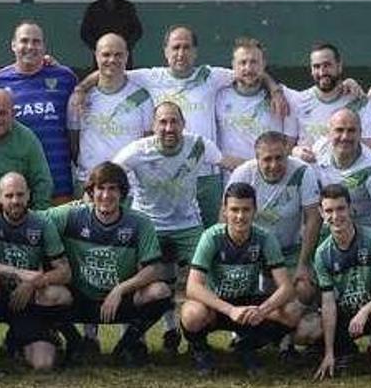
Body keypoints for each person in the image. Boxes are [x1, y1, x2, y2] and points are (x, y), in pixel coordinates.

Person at [78, 25, 288, 226]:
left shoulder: (210, 76)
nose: (181, 53)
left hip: (207, 176)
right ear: (166, 51)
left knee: (210, 235)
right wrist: (81, 88)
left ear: (195, 51)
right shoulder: (151, 77)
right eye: (176, 47)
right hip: (168, 176)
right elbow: (111, 70)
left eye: (186, 47)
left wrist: (274, 89)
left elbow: (248, 69)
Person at [111, 101, 229, 352]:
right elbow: (109, 173)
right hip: (147, 223)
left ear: (183, 124)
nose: (168, 127)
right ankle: (137, 338)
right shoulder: (137, 150)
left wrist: (265, 169)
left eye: (174, 121)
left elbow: (228, 162)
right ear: (153, 126)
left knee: (207, 277)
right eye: (162, 122)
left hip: (187, 223)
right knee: (141, 279)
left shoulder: (198, 145)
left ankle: (199, 337)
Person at [44, 162, 169, 366]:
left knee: (160, 291)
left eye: (113, 189)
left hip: (120, 300)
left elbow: (153, 269)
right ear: (91, 192)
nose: (106, 195)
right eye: (100, 188)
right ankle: (75, 342)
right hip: (80, 298)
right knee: (46, 294)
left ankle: (127, 344)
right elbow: (34, 220)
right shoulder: (72, 215)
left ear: (122, 193)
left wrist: (120, 290)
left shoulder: (139, 223)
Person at [180, 182, 301, 375]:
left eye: (246, 210)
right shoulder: (211, 237)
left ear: (255, 211)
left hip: (249, 304)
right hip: (217, 305)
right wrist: (230, 310)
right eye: (234, 209)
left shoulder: (265, 238)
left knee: (293, 310)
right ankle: (201, 351)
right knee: (191, 313)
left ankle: (246, 347)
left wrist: (263, 311)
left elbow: (286, 288)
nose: (240, 216)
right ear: (225, 211)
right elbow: (193, 287)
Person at [0, 172, 70, 374]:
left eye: (20, 195)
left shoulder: (42, 223)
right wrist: (20, 274)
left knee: (44, 364)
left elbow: (65, 272)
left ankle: (19, 340)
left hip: (27, 300)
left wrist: (33, 282)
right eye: (9, 195)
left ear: (29, 195)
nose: (15, 200)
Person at [310, 184, 371, 380]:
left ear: (350, 208)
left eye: (340, 208)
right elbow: (327, 303)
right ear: (321, 212)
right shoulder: (322, 253)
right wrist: (329, 352)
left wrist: (364, 311)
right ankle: (341, 351)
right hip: (345, 316)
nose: (336, 216)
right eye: (329, 210)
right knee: (310, 328)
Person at [0, 21, 78, 202]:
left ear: (44, 46)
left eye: (36, 42)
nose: (30, 47)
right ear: (13, 45)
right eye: (24, 41)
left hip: (58, 184)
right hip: (13, 191)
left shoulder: (65, 78)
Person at [226, 131, 322, 306]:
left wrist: (304, 264)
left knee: (304, 289)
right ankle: (241, 331)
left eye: (279, 158)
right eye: (267, 159)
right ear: (257, 159)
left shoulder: (302, 171)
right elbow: (226, 217)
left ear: (287, 154)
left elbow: (313, 218)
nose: (274, 164)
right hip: (253, 249)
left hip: (290, 249)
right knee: (235, 287)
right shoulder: (243, 174)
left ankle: (297, 330)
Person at [70, 33, 153, 185]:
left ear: (127, 56)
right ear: (96, 56)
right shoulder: (80, 98)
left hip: (130, 187)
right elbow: (73, 141)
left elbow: (147, 142)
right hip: (89, 184)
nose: (112, 60)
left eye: (118, 55)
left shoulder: (142, 97)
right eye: (106, 54)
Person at [301, 109, 371, 239]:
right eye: (339, 130)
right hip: (329, 227)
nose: (345, 137)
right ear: (329, 133)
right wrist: (297, 151)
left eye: (351, 131)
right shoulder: (320, 148)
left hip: (363, 234)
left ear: (360, 134)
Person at [216, 38, 298, 164]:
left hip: (269, 177)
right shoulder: (218, 96)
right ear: (233, 65)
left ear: (263, 64)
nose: (248, 68)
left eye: (254, 62)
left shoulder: (283, 97)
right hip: (229, 179)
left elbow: (289, 142)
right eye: (242, 62)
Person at [290, 42, 371, 151]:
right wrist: (296, 152)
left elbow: (368, 150)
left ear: (339, 66)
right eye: (316, 66)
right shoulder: (298, 100)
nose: (322, 72)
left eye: (327, 65)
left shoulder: (360, 102)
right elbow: (288, 148)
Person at [79, 0, 143, 67]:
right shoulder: (94, 8)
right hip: (102, 54)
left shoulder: (127, 7)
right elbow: (85, 32)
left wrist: (126, 46)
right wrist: (97, 47)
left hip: (122, 54)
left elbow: (138, 30)